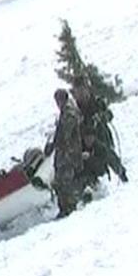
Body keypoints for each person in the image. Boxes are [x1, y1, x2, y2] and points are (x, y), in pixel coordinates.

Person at [70, 83, 128, 186]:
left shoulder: (97, 103)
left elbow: (109, 114)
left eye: (82, 91)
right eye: (78, 92)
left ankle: (122, 175)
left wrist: (101, 116)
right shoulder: (75, 109)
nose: (81, 94)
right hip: (85, 139)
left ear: (87, 90)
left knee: (108, 154)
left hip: (101, 135)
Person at [48, 88, 84, 219]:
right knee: (59, 181)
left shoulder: (69, 112)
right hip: (64, 153)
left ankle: (69, 207)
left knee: (65, 181)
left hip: (69, 154)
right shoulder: (65, 111)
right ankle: (64, 208)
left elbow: (66, 135)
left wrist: (55, 144)